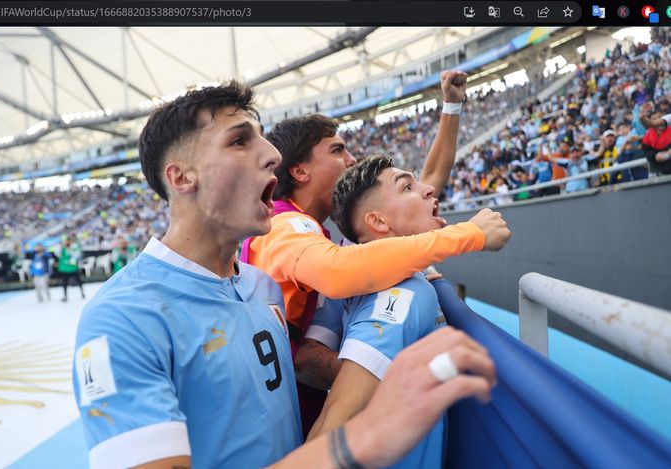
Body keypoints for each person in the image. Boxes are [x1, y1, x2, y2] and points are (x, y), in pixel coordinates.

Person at [72, 81, 496, 468]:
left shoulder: (262, 287)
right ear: (181, 177)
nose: (272, 154)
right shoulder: (120, 319)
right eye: (239, 140)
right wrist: (360, 434)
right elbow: (336, 277)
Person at [243, 71, 510, 433]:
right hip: (290, 419)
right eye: (337, 150)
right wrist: (470, 235)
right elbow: (338, 273)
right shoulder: (285, 225)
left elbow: (422, 190)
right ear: (300, 170)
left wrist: (450, 107)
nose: (351, 159)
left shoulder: (321, 233)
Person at [307, 155, 495, 469]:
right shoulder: (402, 293)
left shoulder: (385, 280)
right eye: (407, 186)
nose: (428, 189)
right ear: (378, 223)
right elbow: (335, 423)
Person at [58, 234, 85, 301]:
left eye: (69, 241)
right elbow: (58, 254)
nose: (67, 242)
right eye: (66, 241)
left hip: (73, 268)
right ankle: (65, 296)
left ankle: (82, 293)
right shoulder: (62, 248)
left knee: (79, 281)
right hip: (65, 269)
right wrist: (61, 247)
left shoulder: (74, 248)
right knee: (64, 283)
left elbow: (78, 255)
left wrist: (71, 251)